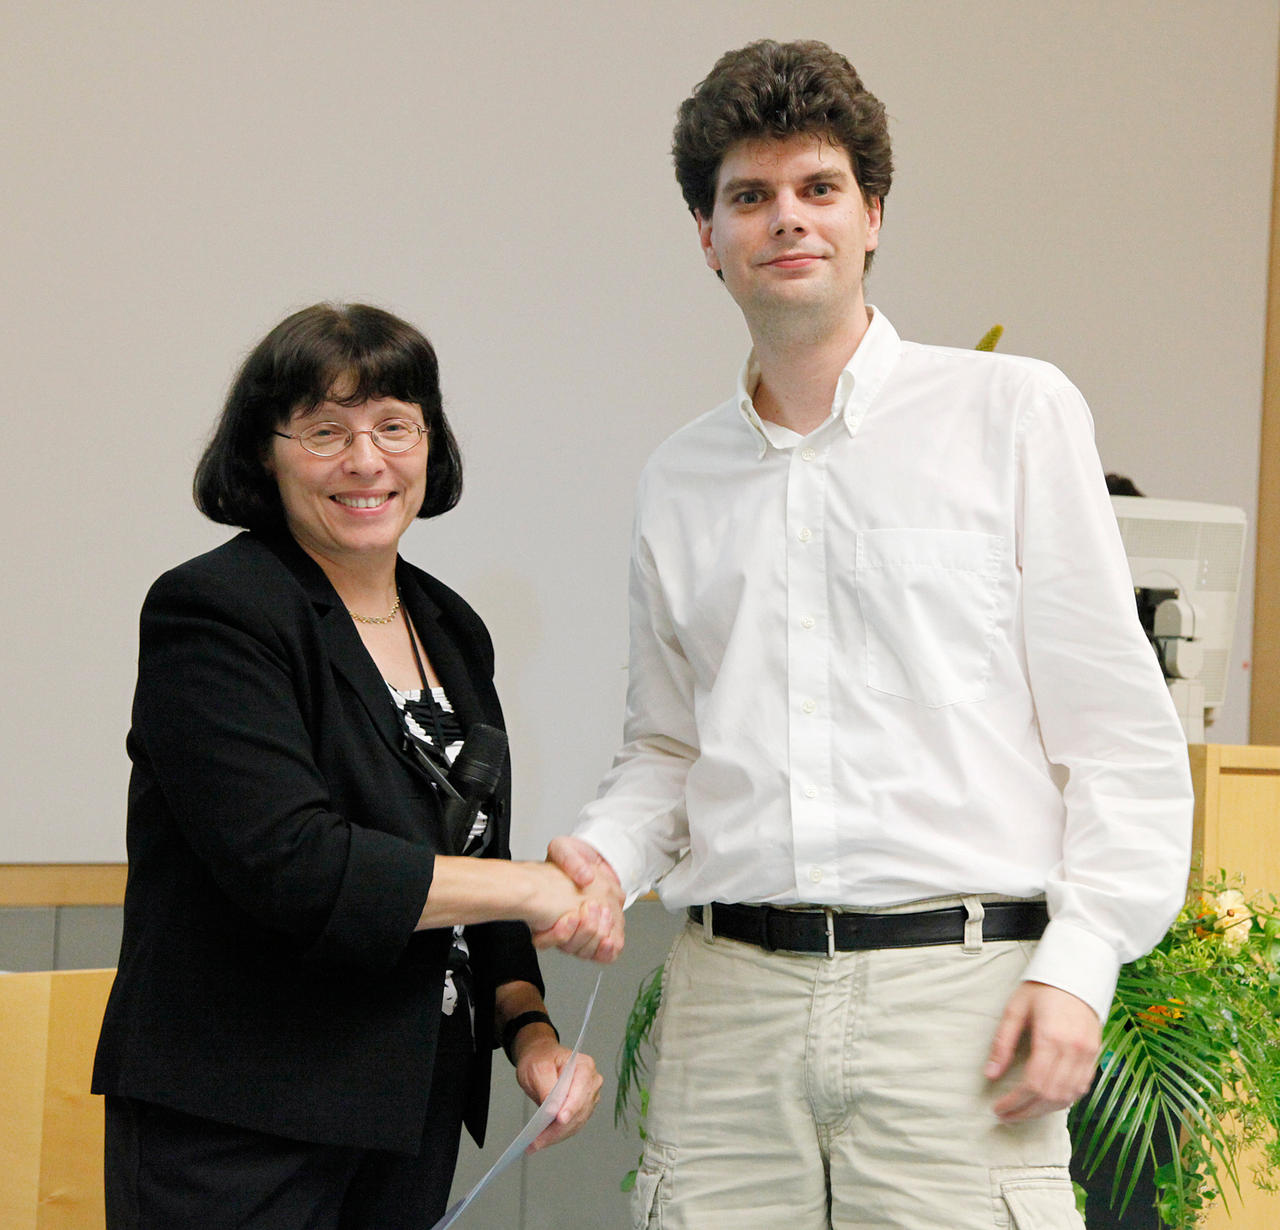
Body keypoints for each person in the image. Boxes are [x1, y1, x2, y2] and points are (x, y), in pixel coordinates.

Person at [545, 39, 1193, 1230]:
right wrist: (598, 862)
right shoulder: (677, 477)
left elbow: (1114, 733)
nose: (787, 218)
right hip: (727, 1013)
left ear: (871, 215)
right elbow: (669, 752)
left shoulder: (1011, 414)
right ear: (707, 236)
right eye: (749, 196)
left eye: (818, 187)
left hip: (958, 998)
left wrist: (1081, 962)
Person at [92, 302, 622, 1230]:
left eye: (394, 426)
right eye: (325, 431)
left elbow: (473, 860)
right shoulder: (214, 610)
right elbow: (295, 865)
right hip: (238, 1120)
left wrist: (528, 1031)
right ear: (265, 454)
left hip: (406, 1112)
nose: (366, 460)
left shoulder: (450, 626)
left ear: (430, 445)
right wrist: (537, 888)